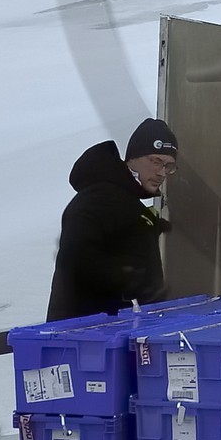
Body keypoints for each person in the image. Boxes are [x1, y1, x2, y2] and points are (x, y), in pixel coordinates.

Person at [47, 117, 178, 321]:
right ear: (132, 159)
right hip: (82, 333)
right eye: (155, 161)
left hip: (109, 330)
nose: (161, 173)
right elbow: (76, 261)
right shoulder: (98, 199)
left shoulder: (127, 205)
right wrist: (126, 274)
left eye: (168, 166)